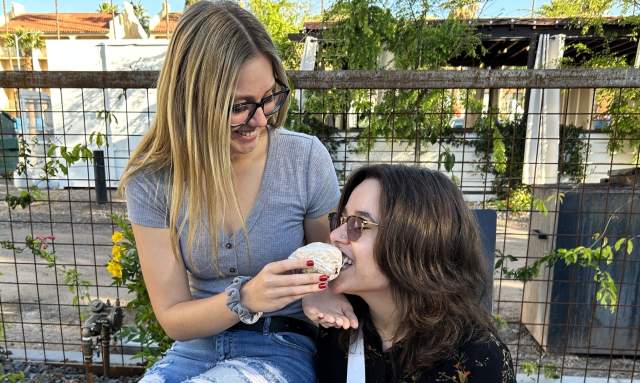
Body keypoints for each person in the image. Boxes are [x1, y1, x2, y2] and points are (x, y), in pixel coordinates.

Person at [119, 2, 340, 382]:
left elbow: (330, 270)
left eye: (269, 96)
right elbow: (173, 317)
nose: (260, 120)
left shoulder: (303, 159)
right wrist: (247, 298)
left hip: (281, 346)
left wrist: (320, 294)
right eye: (239, 106)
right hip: (193, 350)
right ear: (192, 102)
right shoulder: (153, 180)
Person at [305, 164, 517, 383]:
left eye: (357, 224)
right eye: (340, 220)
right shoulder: (338, 330)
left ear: (415, 242)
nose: (335, 236)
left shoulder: (478, 361)